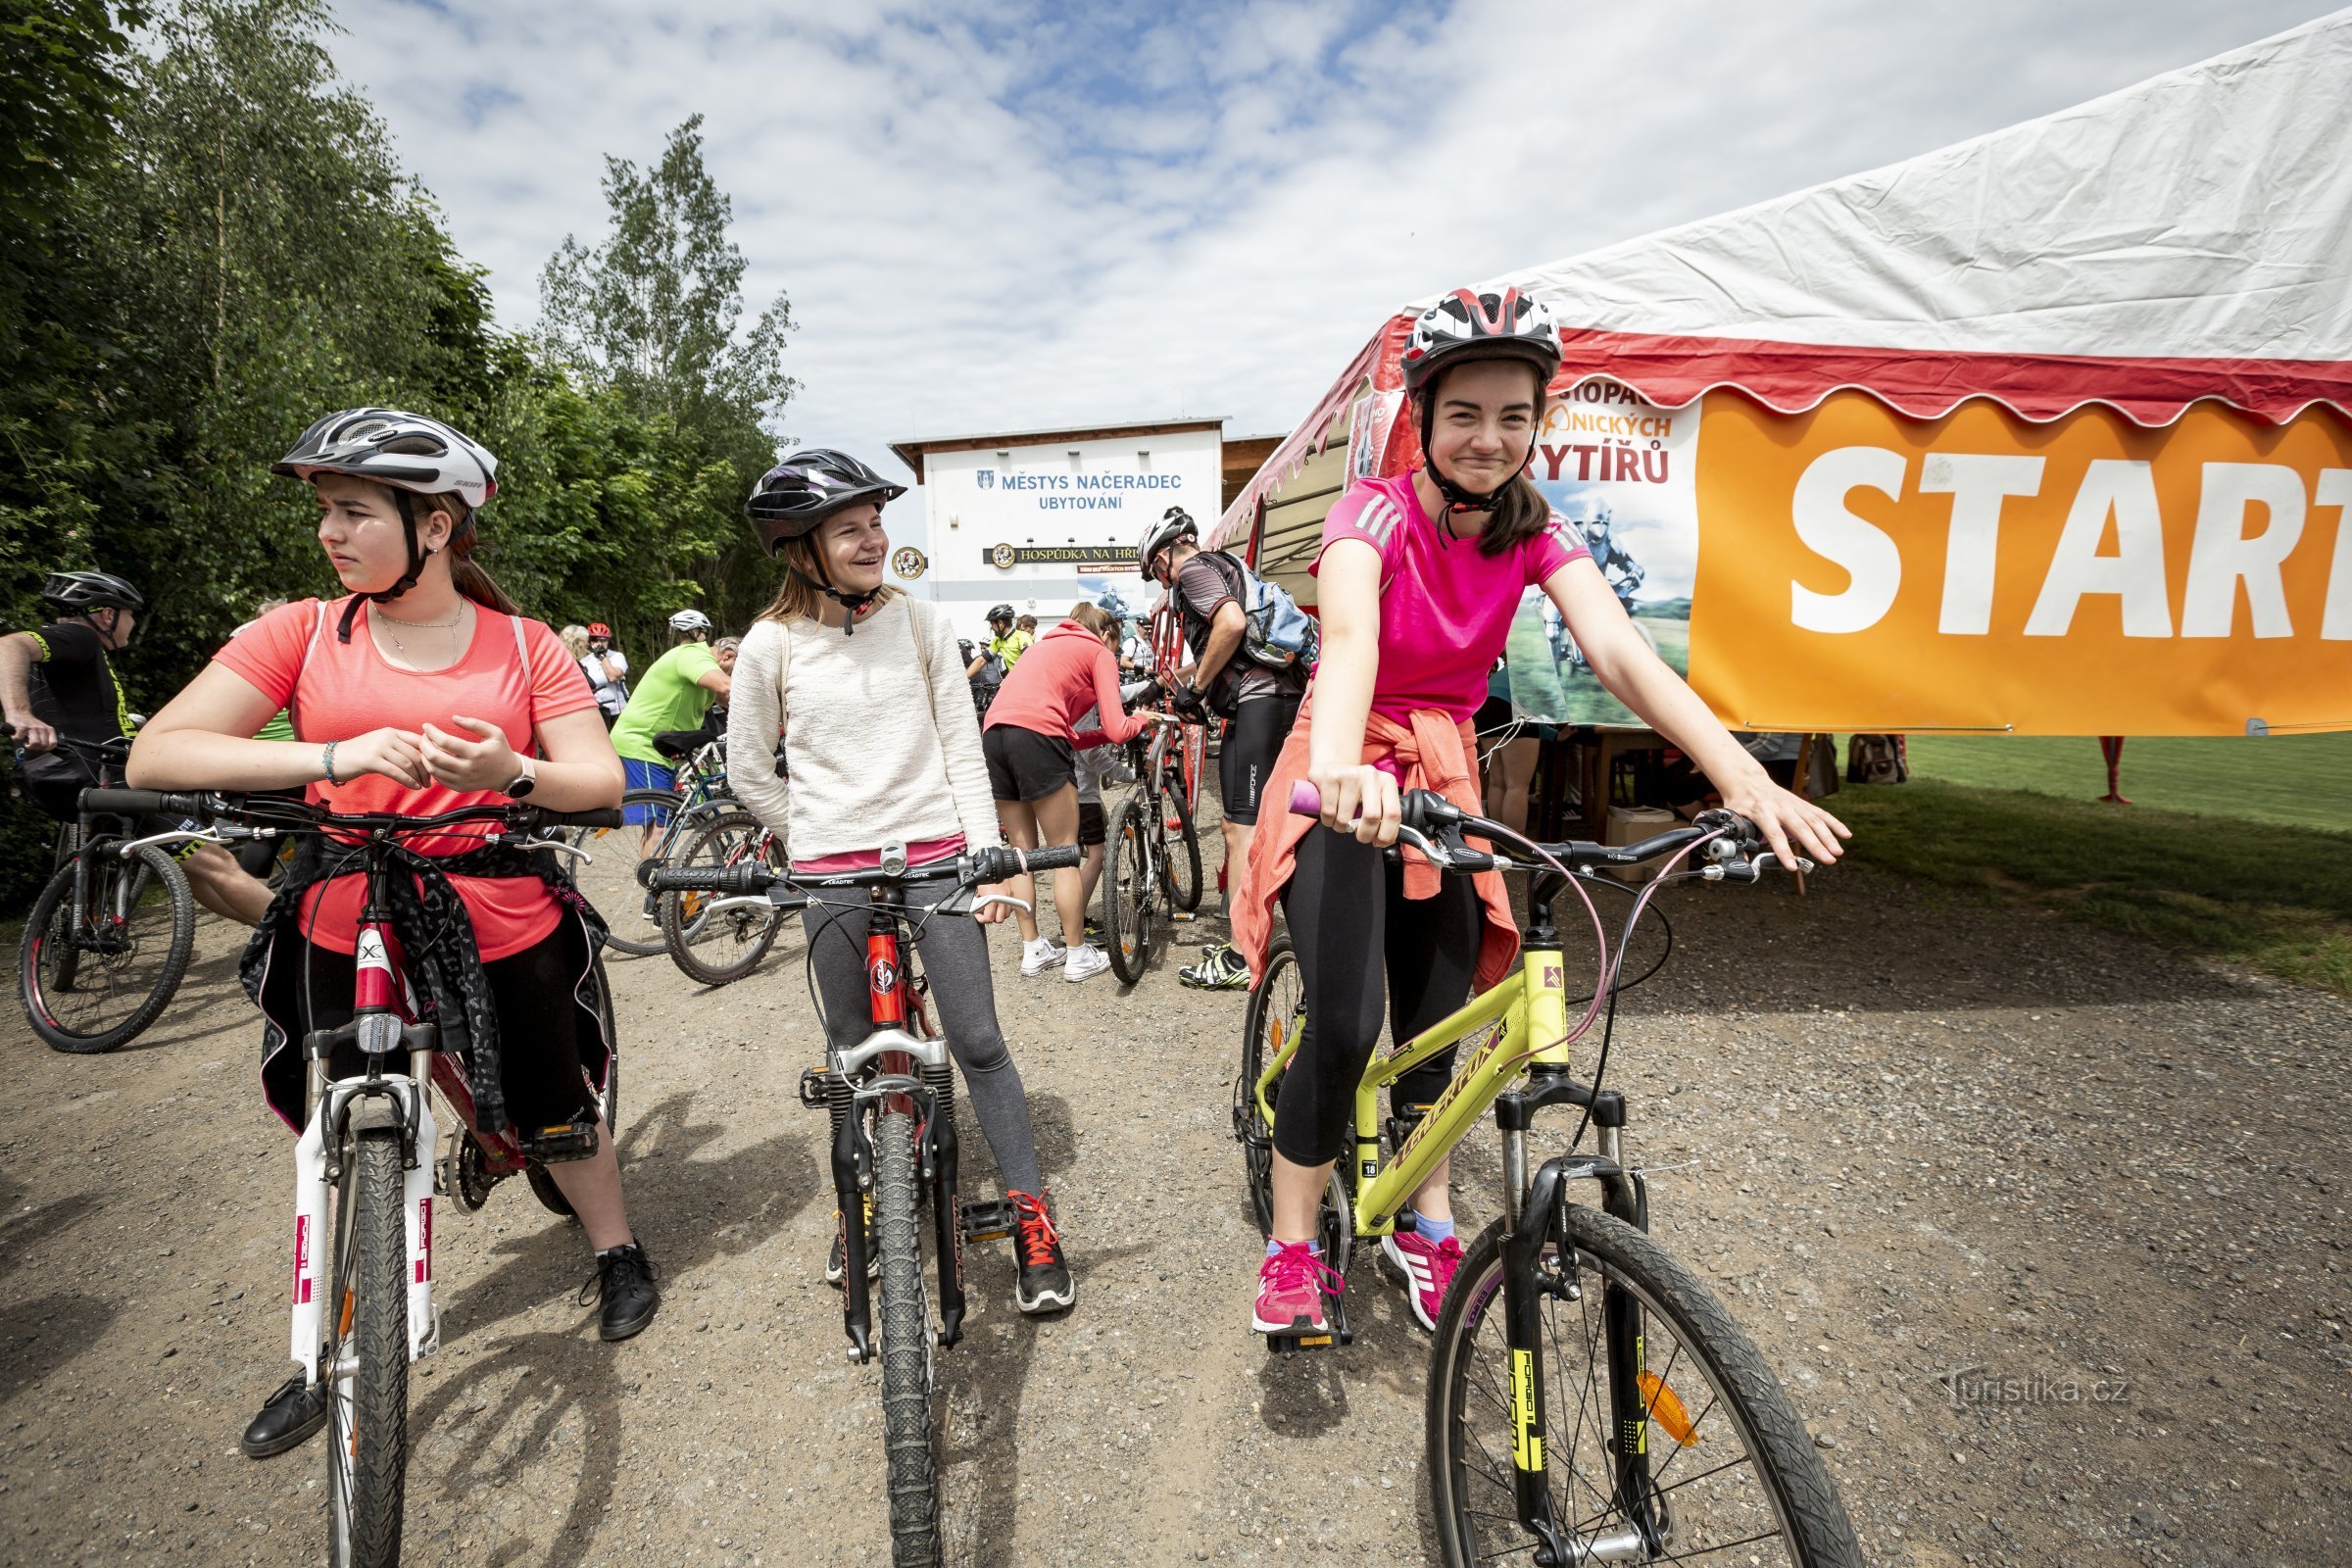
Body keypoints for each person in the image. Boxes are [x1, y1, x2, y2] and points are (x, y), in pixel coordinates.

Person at [1232, 289, 1848, 1341]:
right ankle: (1293, 1241)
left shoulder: (1535, 527)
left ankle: (1423, 1216)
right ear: (1421, 419)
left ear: (1536, 424)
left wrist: (1740, 778)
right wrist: (1340, 769)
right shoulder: (1369, 514)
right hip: (1350, 771)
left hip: (1444, 773)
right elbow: (1349, 640)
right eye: (1464, 413)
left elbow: (1620, 651)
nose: (1489, 437)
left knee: (1437, 1025)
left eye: (1514, 415)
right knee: (1342, 1025)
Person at [124, 406, 657, 1456]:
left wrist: (513, 774)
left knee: (555, 1097)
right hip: (345, 903)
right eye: (325, 510)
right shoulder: (300, 632)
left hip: (495, 903)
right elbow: (159, 755)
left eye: (355, 511)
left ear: (437, 526)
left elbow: (599, 783)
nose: (329, 531)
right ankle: (320, 1353)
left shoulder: (525, 644)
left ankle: (616, 1247)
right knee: (342, 1122)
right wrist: (331, 758)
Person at [728, 448, 1074, 1313]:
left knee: (979, 1040)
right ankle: (865, 1209)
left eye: (877, 522)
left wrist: (988, 848)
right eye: (851, 528)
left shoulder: (920, 623)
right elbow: (747, 770)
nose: (874, 538)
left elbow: (961, 743)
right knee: (852, 1058)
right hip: (829, 872)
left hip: (934, 857)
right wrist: (808, 835)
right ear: (802, 547)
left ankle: (1033, 1216)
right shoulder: (771, 644)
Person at [2, 571, 273, 924]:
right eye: (130, 614)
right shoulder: (79, 638)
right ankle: (305, 943)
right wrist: (19, 713)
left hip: (52, 774)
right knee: (216, 861)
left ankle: (269, 936)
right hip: (99, 775)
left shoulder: (60, 657)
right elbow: (10, 644)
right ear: (107, 614)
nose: (131, 623)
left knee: (196, 871)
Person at [1139, 506, 1307, 990]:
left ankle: (1242, 954)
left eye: (1156, 568)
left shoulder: (1192, 570)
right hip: (1273, 697)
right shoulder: (1224, 565)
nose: (1159, 578)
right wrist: (1179, 683)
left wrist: (1197, 688)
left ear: (1170, 550)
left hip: (1258, 702)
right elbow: (1230, 640)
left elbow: (1231, 626)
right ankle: (1251, 935)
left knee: (1241, 828)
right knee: (1253, 820)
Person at [982, 601, 1166, 983]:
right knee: (1065, 852)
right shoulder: (1097, 650)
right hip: (1037, 735)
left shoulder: (1044, 646)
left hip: (995, 733)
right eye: (1115, 646)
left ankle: (1033, 949)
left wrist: (1114, 726)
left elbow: (1078, 736)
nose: (1113, 655)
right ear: (1107, 634)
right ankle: (1078, 955)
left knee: (1021, 853)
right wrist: (1141, 721)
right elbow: (1118, 730)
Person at [607, 607, 731, 875]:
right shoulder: (693, 656)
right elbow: (727, 687)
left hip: (654, 746)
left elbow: (724, 699)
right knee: (661, 824)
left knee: (659, 822)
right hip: (644, 745)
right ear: (728, 656)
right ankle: (660, 895)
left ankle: (659, 891)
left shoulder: (688, 659)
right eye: (737, 667)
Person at [580, 621, 629, 725]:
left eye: (603, 640)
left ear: (608, 641)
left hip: (618, 710)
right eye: (594, 639)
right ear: (589, 642)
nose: (599, 643)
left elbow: (613, 676)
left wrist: (602, 656)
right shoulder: (584, 661)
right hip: (598, 710)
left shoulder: (617, 656)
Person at [983, 604, 1033, 668]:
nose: (991, 628)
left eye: (992, 624)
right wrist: (966, 676)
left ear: (1000, 623)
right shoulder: (998, 640)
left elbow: (1030, 661)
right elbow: (981, 660)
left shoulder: (1022, 637)